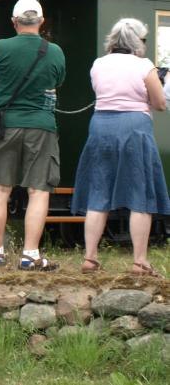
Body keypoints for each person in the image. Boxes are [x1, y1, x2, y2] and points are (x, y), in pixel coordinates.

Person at [71, 18, 168, 277]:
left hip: (101, 125)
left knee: (98, 192)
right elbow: (159, 103)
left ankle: (90, 258)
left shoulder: (98, 65)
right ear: (137, 41)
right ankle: (139, 262)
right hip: (135, 127)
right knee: (141, 194)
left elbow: (104, 93)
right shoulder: (144, 66)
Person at [0, 0, 66, 271]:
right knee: (39, 191)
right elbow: (57, 81)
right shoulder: (54, 51)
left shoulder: (1, 47)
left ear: (14, 22)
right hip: (42, 125)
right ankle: (30, 254)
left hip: (6, 124)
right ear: (41, 22)